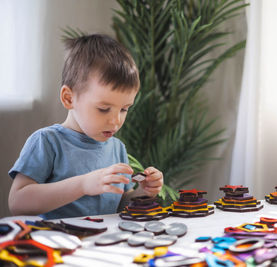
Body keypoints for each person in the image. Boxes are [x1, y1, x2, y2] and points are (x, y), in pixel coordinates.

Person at [8, 34, 163, 220]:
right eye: (103, 109)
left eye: (124, 109)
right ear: (69, 98)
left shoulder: (117, 148)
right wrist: (83, 185)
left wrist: (141, 193)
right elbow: (17, 202)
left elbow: (119, 206)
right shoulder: (47, 142)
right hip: (57, 243)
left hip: (103, 243)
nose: (115, 121)